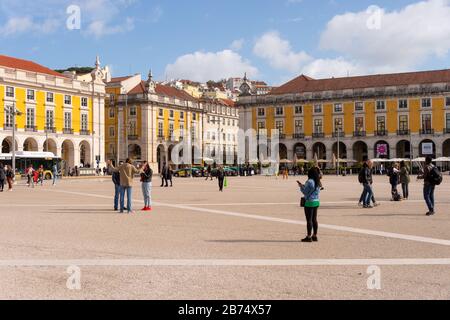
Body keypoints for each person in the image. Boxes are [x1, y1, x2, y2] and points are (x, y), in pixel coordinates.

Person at [298, 167, 321, 242]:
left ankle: (308, 237)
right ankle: (315, 235)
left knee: (309, 220)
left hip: (309, 202)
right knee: (314, 219)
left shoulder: (310, 181)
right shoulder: (318, 181)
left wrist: (301, 186)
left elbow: (305, 192)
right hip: (316, 201)